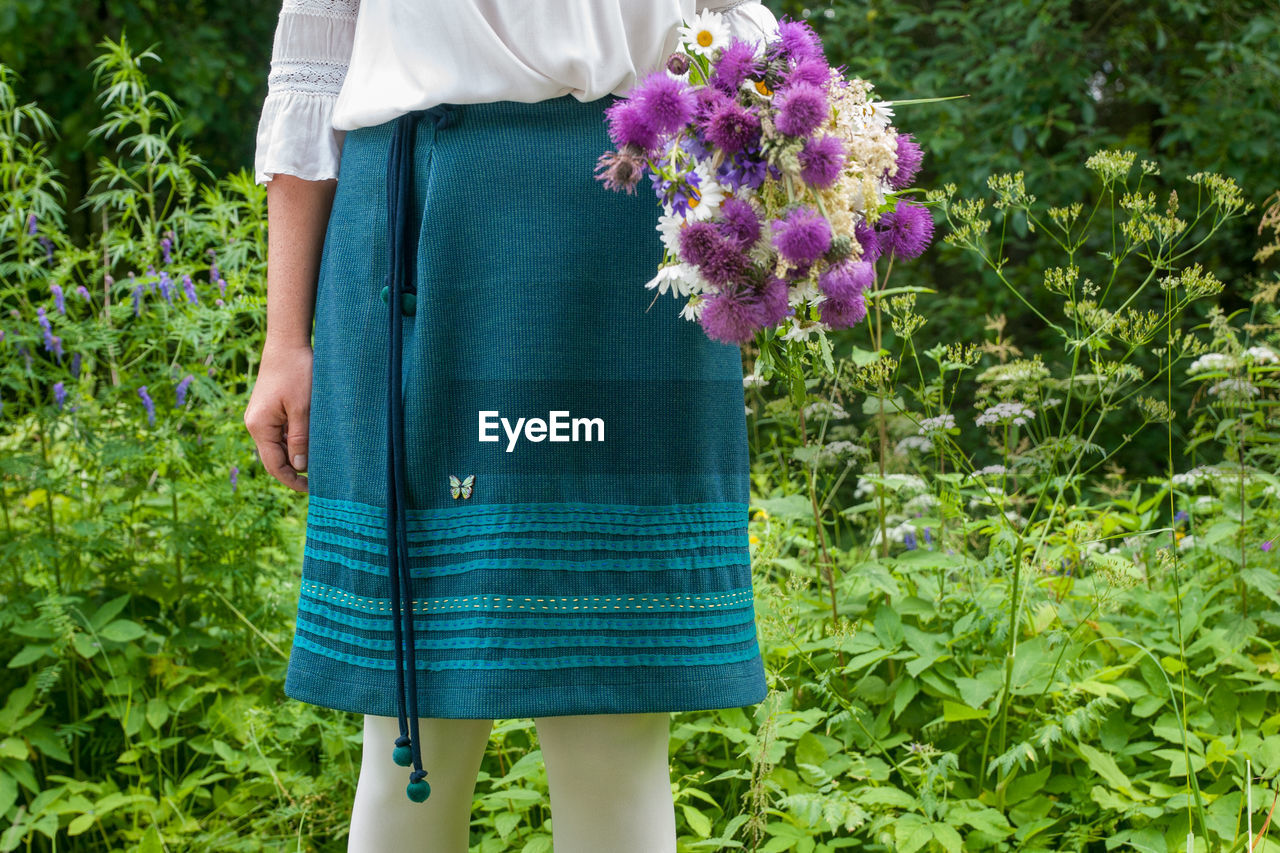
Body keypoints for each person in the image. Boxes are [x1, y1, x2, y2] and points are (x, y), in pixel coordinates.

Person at [242, 1, 780, 850]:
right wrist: (284, 342)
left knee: (621, 721)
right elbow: (312, 63)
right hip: (426, 232)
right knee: (410, 740)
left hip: (637, 233)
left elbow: (734, 22)